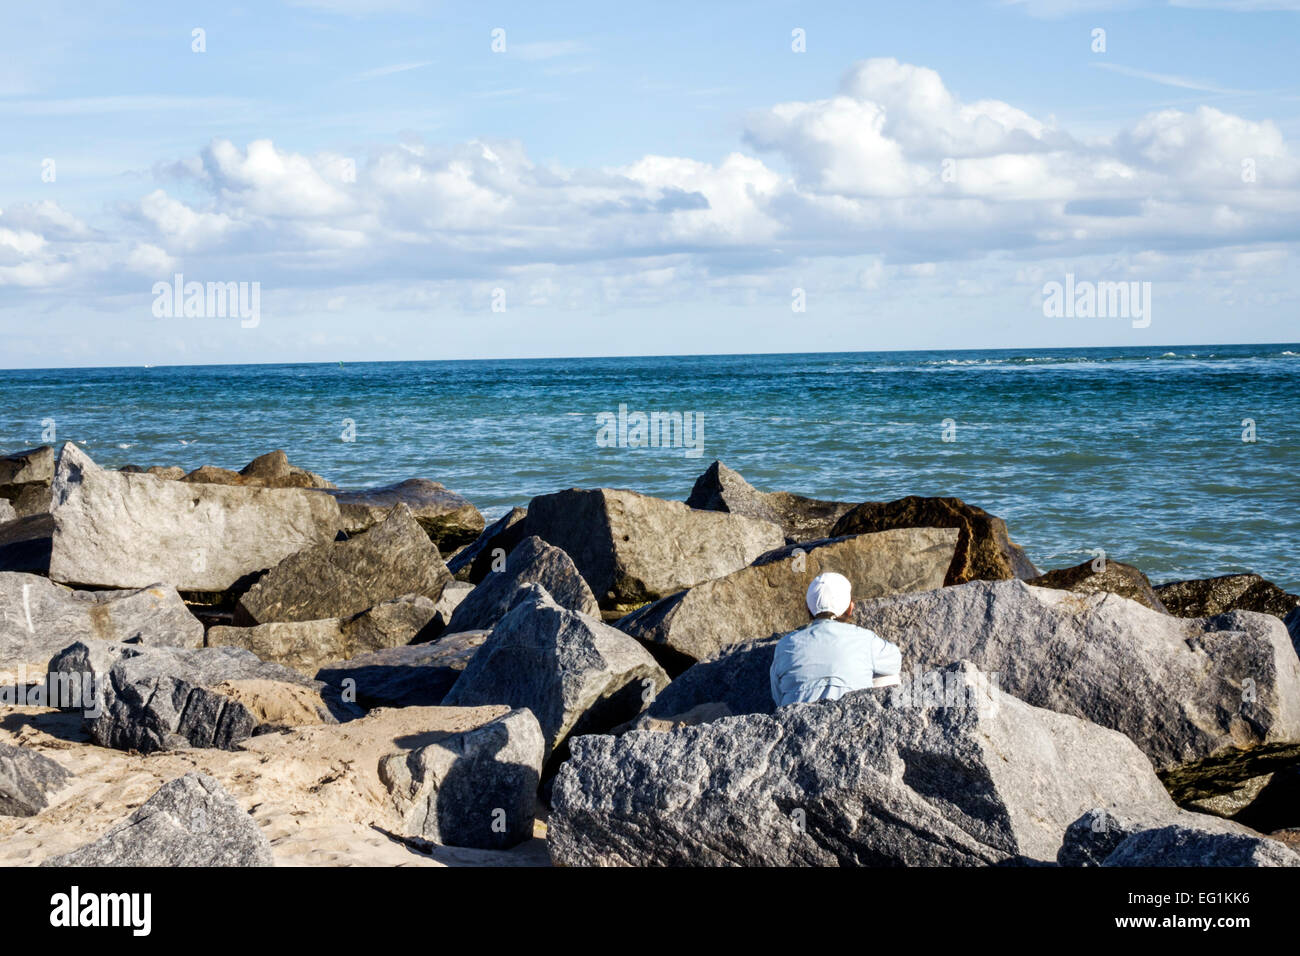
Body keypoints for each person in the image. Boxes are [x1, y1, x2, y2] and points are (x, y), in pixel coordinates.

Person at [769, 571, 902, 707]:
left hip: (795, 719)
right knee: (890, 677)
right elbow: (895, 662)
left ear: (808, 608)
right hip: (852, 714)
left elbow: (777, 695)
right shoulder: (864, 638)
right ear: (850, 608)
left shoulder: (785, 644)